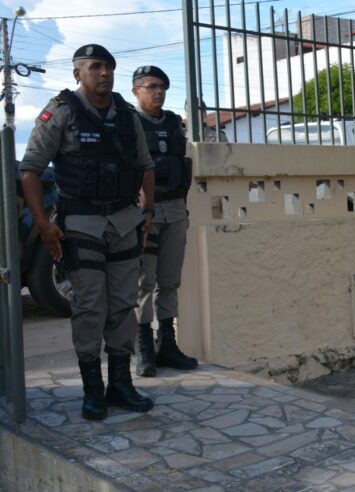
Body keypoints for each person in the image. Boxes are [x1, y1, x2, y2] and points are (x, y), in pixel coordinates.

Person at [20, 44, 155, 420]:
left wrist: (147, 212)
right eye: (95, 67)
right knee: (91, 305)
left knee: (124, 303)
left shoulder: (128, 116)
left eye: (109, 67)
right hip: (81, 223)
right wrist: (44, 225)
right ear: (78, 73)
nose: (104, 73)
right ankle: (93, 389)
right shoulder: (61, 112)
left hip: (125, 222)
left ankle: (121, 385)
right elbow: (30, 170)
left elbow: (146, 166)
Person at [131, 65, 199, 376]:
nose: (158, 92)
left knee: (170, 281)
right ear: (136, 91)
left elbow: (181, 169)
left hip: (173, 208)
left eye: (162, 87)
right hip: (144, 211)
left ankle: (167, 345)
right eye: (151, 86)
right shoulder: (128, 123)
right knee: (144, 282)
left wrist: (183, 210)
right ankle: (144, 346)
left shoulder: (173, 123)